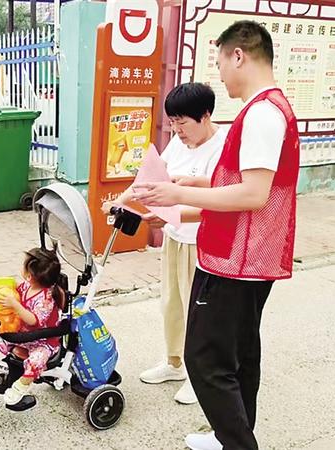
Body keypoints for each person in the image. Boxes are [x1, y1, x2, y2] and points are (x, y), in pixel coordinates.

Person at [133, 21, 300, 450]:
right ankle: (231, 437)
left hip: (236, 260)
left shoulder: (261, 114)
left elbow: (253, 194)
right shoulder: (269, 109)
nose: (220, 74)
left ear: (238, 55)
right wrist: (189, 192)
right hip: (246, 255)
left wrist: (177, 194)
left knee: (205, 360)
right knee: (239, 357)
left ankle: (237, 443)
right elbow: (246, 186)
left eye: (221, 62)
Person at [102, 82, 225, 405]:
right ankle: (174, 363)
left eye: (182, 123)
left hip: (203, 243)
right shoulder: (179, 142)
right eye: (172, 123)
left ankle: (202, 378)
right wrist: (120, 201)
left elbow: (219, 204)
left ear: (205, 116)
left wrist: (175, 216)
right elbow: (150, 180)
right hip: (175, 237)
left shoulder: (223, 148)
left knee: (199, 313)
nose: (177, 130)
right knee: (171, 304)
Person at [0, 248, 64, 408]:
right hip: (25, 335)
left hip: (43, 340)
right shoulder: (26, 286)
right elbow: (16, 294)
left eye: (24, 266)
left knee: (36, 361)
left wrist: (15, 305)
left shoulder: (46, 299)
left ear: (30, 276)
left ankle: (21, 386)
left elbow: (33, 320)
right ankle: (12, 367)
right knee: (3, 336)